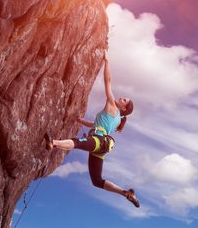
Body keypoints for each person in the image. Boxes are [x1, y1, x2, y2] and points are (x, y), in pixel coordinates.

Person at [45, 51, 140, 207]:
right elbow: (99, 125)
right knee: (97, 181)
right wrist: (82, 121)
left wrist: (107, 62)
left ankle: (53, 143)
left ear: (123, 107)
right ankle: (125, 193)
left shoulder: (112, 106)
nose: (120, 98)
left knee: (77, 142)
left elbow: (107, 81)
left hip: (99, 141)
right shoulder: (116, 120)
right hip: (102, 144)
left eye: (124, 100)